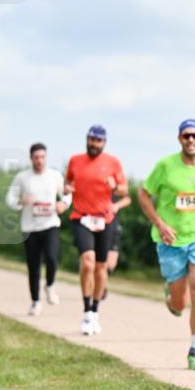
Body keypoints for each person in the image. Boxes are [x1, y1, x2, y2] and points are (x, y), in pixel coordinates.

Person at [138, 119, 195, 370]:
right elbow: (143, 194)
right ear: (180, 138)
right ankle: (172, 298)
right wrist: (159, 223)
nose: (191, 140)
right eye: (186, 136)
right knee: (181, 303)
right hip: (170, 241)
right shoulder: (165, 166)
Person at [65, 125, 128, 335]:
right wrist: (67, 189)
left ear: (104, 143)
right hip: (81, 217)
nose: (94, 144)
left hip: (104, 219)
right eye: (92, 140)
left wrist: (114, 187)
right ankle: (86, 312)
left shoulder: (113, 163)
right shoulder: (75, 160)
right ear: (87, 140)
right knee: (87, 261)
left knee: (101, 267)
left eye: (98, 141)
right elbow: (68, 182)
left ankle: (95, 311)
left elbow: (124, 191)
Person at [6, 143, 70, 316]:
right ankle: (35, 301)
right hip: (29, 227)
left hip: (50, 225)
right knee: (33, 266)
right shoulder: (22, 178)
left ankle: (50, 285)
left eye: (42, 157)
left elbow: (67, 193)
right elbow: (9, 198)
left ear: (46, 157)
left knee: (51, 258)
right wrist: (21, 201)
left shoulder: (54, 176)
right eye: (36, 157)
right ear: (31, 158)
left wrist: (63, 203)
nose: (39, 161)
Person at [102, 191, 132, 300]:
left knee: (110, 265)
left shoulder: (113, 183)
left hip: (113, 226)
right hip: (97, 225)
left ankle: (100, 282)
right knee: (101, 262)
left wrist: (117, 206)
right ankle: (101, 286)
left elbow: (127, 198)